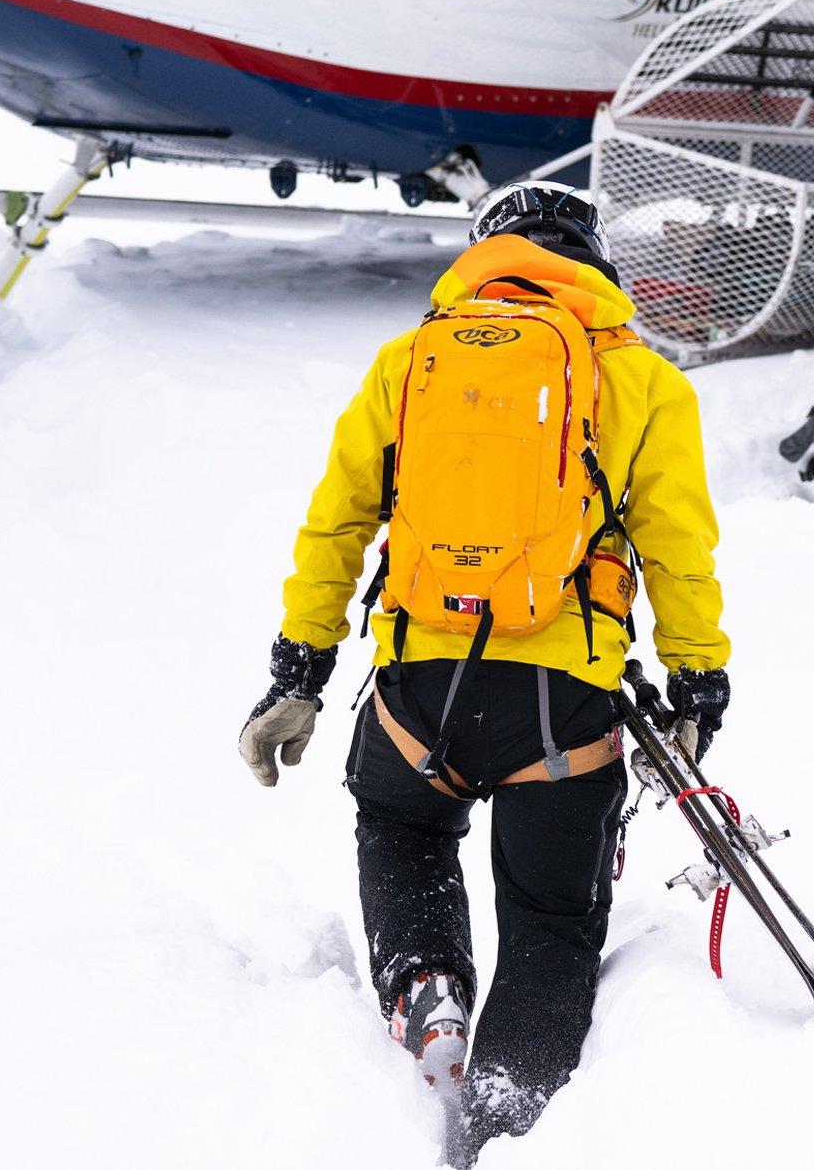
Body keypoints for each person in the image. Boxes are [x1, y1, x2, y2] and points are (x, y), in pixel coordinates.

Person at [237, 181, 732, 1164]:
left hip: (420, 688)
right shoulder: (639, 378)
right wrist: (696, 682)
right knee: (550, 918)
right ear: (589, 260)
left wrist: (299, 670)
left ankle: (425, 981)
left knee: (400, 824)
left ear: (483, 255)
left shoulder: (409, 363)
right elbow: (679, 547)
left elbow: (336, 522)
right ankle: (515, 1104)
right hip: (560, 704)